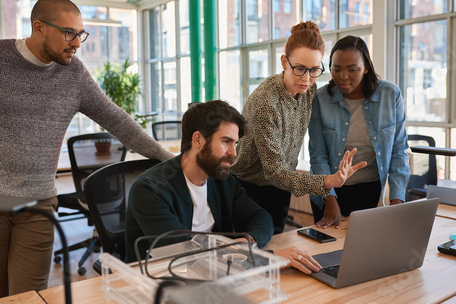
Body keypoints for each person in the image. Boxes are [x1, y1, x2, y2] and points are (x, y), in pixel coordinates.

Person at [0, 0, 173, 301]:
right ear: (39, 28)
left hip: (38, 204)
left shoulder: (74, 74)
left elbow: (117, 120)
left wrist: (168, 158)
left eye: (80, 34)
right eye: (69, 33)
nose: (77, 42)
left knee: (30, 295)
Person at [125, 100, 322, 275]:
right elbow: (186, 252)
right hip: (161, 281)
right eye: (226, 142)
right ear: (198, 140)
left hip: (218, 274)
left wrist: (247, 243)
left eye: (235, 143)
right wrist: (267, 259)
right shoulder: (150, 189)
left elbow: (261, 217)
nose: (233, 153)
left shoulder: (221, 179)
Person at [230, 21, 366, 234]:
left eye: (314, 70)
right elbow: (275, 172)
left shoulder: (309, 91)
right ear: (284, 62)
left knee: (278, 250)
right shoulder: (266, 103)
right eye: (300, 69)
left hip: (282, 188)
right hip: (246, 189)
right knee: (250, 253)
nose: (306, 79)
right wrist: (328, 182)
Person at [308, 35, 410, 228]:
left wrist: (398, 201)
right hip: (329, 192)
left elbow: (398, 151)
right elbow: (318, 155)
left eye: (352, 69)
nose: (343, 76)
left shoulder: (390, 95)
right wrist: (329, 199)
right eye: (336, 69)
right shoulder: (320, 99)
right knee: (327, 255)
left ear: (366, 67)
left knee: (367, 252)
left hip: (370, 190)